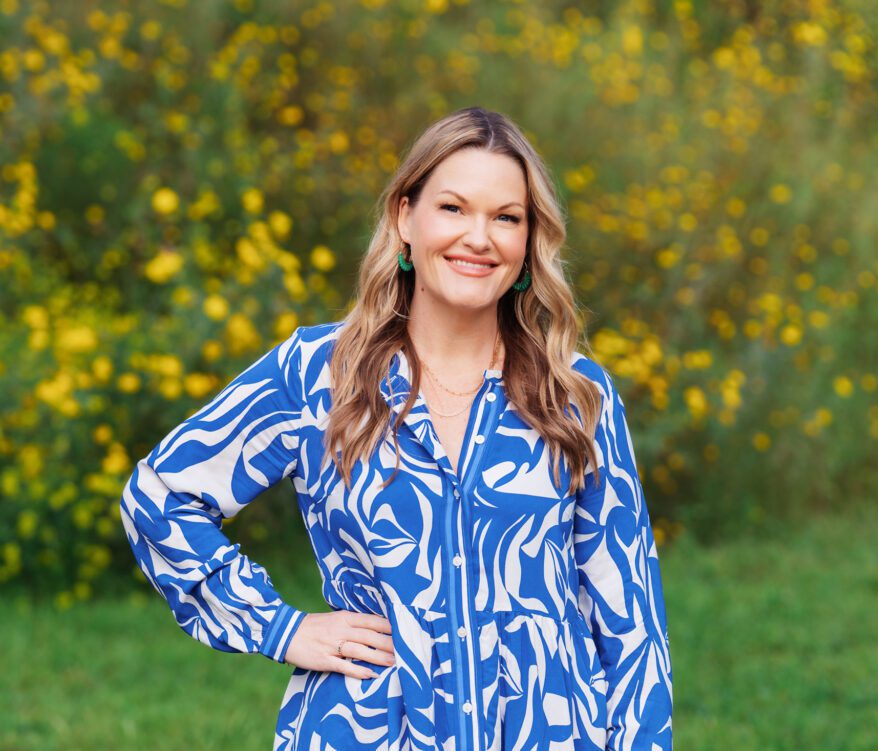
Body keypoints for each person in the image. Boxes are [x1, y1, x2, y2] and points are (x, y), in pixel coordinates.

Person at [120, 106, 673, 750]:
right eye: (453, 209)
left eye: (506, 218)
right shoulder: (317, 374)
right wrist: (281, 628)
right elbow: (160, 496)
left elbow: (628, 616)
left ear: (528, 245)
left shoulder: (574, 392)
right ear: (404, 217)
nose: (479, 237)